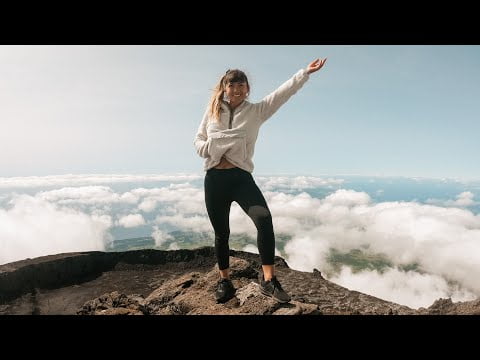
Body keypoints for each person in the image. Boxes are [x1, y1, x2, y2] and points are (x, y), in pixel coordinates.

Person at [194, 58, 327, 304]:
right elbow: (198, 141)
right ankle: (224, 280)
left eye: (242, 86)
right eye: (233, 86)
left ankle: (268, 280)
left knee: (264, 219)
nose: (237, 90)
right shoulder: (212, 111)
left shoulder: (256, 111)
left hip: (241, 177)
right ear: (225, 88)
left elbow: (281, 94)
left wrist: (304, 73)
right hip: (214, 179)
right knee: (221, 233)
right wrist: (211, 146)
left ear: (247, 89)